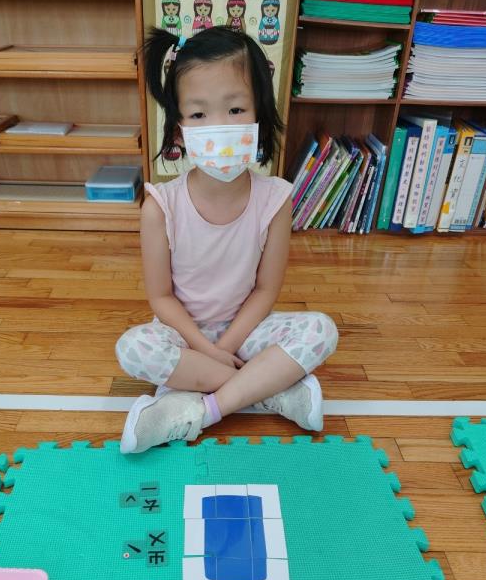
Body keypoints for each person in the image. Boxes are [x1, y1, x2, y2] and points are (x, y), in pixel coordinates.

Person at [116, 26, 338, 454]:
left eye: (235, 109)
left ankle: (203, 409)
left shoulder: (275, 199)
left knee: (321, 330)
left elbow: (266, 290)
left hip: (246, 331)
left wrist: (227, 347)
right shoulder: (161, 206)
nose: (219, 126)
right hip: (185, 337)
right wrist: (206, 349)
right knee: (133, 348)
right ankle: (269, 389)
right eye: (199, 115)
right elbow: (161, 298)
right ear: (178, 130)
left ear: (259, 116)